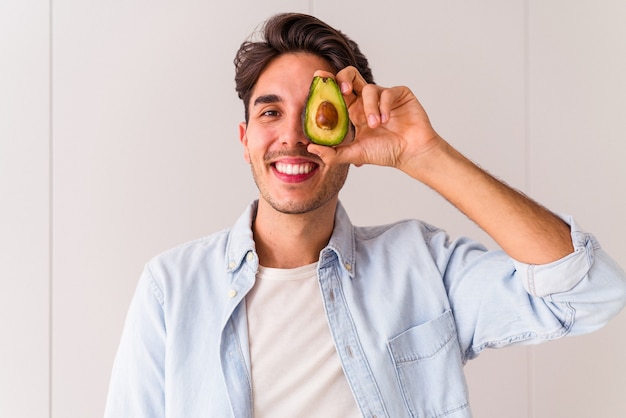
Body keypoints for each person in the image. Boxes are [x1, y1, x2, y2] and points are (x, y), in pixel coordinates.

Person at [104, 12, 626, 418]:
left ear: (351, 132)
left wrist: (423, 154)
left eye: (316, 111)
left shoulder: (420, 265)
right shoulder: (171, 289)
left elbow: (590, 291)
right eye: (270, 112)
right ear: (245, 141)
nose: (293, 136)